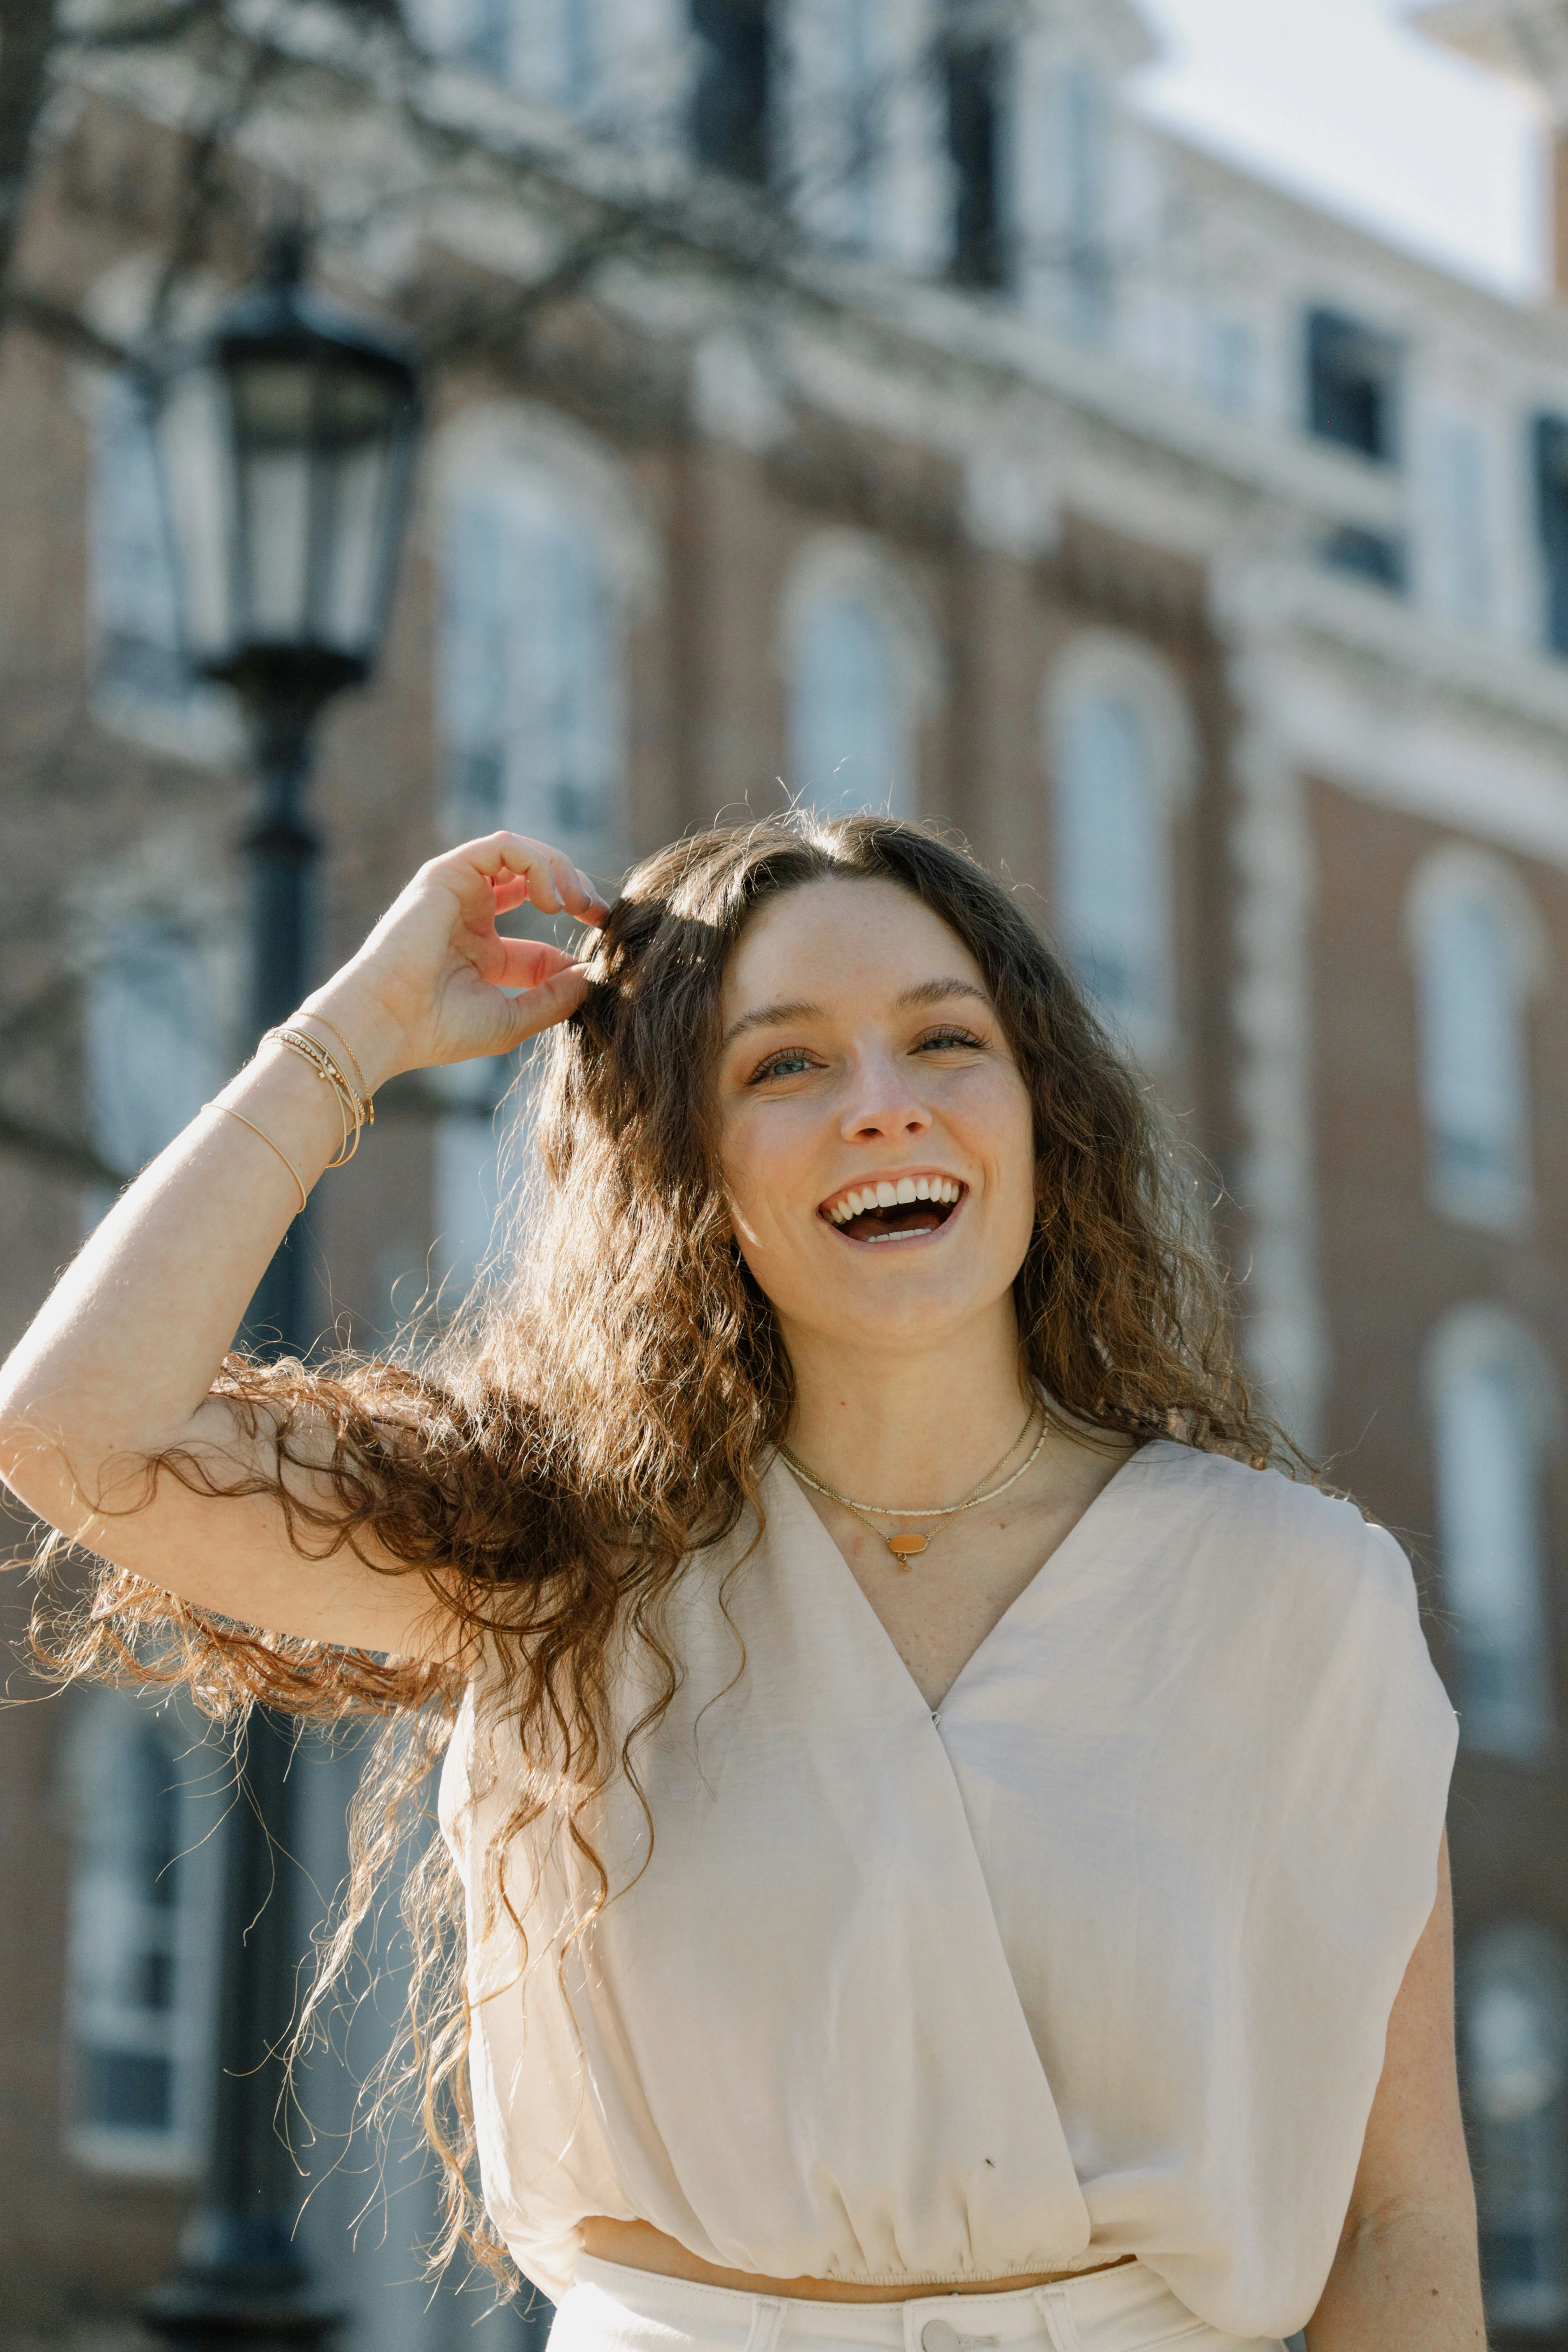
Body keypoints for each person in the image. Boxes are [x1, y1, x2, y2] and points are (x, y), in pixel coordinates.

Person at [0, 815, 1478, 2352]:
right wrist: (354, 1033)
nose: (884, 1108)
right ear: (678, 1152)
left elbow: (1398, 2220)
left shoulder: (1298, 1598)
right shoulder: (555, 1554)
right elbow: (77, 1432)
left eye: (945, 1041)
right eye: (785, 1065)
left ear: (1041, 1109)